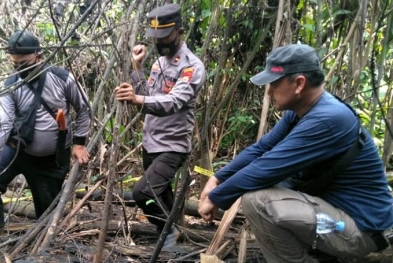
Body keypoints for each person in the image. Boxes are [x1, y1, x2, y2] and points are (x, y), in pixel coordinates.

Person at [198, 44, 393, 262]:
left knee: (258, 201)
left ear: (299, 83)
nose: (269, 90)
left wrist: (216, 197)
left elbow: (268, 166)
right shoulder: (301, 112)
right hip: (336, 217)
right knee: (271, 190)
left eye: (274, 83)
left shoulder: (327, 119)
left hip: (359, 229)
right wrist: (217, 178)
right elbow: (262, 149)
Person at [115, 4, 206, 247]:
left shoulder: (191, 66)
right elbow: (148, 99)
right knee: (162, 197)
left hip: (173, 146)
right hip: (151, 142)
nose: (159, 42)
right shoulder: (159, 64)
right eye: (155, 37)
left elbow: (174, 102)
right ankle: (172, 244)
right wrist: (137, 68)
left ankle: (168, 232)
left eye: (164, 36)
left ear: (179, 31)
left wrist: (137, 98)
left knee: (142, 193)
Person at [0, 30, 91, 230]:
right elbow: (5, 123)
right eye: (14, 65)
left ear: (39, 56)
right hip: (17, 150)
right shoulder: (10, 84)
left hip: (50, 160)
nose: (18, 69)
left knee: (46, 215)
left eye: (23, 64)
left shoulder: (62, 78)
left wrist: (80, 143)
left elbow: (83, 109)